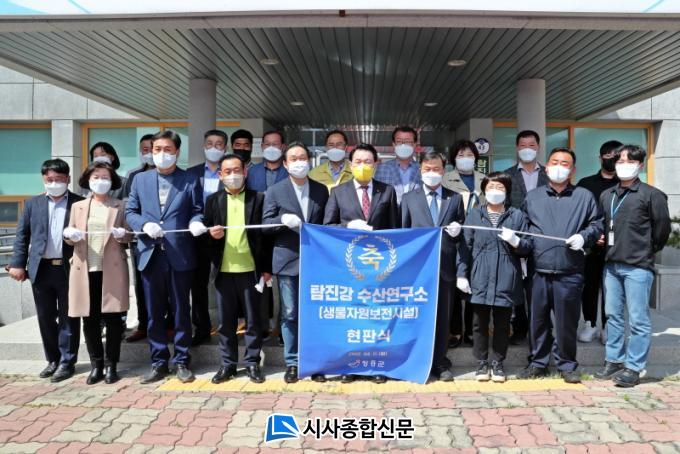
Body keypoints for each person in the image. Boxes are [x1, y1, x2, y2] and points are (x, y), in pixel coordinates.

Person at [125, 130, 207, 384]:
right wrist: (143, 225)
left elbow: (198, 210)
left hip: (180, 253)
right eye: (157, 149)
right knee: (154, 311)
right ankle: (158, 361)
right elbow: (130, 211)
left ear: (177, 152)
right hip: (150, 254)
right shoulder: (140, 180)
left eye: (167, 149)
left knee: (181, 310)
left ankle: (182, 360)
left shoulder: (190, 179)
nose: (162, 154)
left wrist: (196, 222)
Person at [519, 147, 603, 384]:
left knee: (567, 322)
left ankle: (567, 365)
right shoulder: (533, 197)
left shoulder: (584, 196)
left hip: (570, 271)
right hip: (538, 270)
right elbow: (524, 227)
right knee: (538, 321)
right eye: (554, 162)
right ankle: (537, 363)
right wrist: (519, 243)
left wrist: (584, 237)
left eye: (564, 164)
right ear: (546, 167)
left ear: (573, 170)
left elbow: (597, 224)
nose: (559, 167)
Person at [323, 143, 399, 384]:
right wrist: (348, 226)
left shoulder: (387, 191)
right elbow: (327, 226)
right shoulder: (338, 191)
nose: (363, 166)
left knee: (377, 315)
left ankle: (376, 364)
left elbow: (395, 229)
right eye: (358, 162)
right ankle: (350, 364)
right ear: (350, 164)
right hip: (350, 265)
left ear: (376, 164)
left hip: (379, 266)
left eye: (368, 162)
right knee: (352, 315)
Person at [596, 145, 671, 387]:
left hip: (638, 266)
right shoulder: (607, 195)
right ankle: (614, 360)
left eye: (629, 161)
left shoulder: (652, 195)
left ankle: (634, 367)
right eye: (620, 161)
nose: (623, 165)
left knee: (638, 319)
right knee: (613, 316)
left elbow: (662, 231)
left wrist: (646, 250)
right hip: (611, 265)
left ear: (640, 165)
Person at [8, 159, 83, 382]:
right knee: (45, 317)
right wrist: (17, 264)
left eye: (59, 179)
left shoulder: (79, 203)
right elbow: (22, 236)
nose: (54, 183)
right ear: (43, 179)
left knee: (69, 316)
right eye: (50, 179)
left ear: (68, 179)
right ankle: (53, 359)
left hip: (69, 268)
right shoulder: (33, 204)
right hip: (41, 269)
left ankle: (67, 362)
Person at [263, 141, 329, 384]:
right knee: (290, 313)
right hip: (287, 260)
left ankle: (315, 362)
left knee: (314, 312)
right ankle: (293, 362)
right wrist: (282, 220)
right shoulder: (275, 191)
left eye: (303, 158)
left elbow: (327, 223)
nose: (299, 162)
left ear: (309, 161)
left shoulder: (321, 190)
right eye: (294, 158)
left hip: (316, 261)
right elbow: (265, 224)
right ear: (285, 163)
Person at [204, 154, 273, 384]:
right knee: (225, 323)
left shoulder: (258, 198)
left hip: (251, 270)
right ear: (220, 175)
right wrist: (211, 236)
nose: (232, 175)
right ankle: (228, 364)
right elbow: (204, 237)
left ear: (245, 172)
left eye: (237, 170)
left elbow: (265, 237)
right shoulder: (213, 201)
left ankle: (252, 362)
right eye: (227, 171)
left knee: (253, 321)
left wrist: (266, 268)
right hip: (223, 271)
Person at [457, 172, 531, 383]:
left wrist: (516, 241)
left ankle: (498, 362)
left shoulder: (517, 215)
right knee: (479, 323)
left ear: (507, 191)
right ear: (484, 191)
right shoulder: (475, 214)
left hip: (506, 276)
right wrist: (462, 274)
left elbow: (528, 247)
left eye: (500, 187)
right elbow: (465, 247)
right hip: (479, 275)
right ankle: (481, 362)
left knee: (502, 323)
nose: (495, 192)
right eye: (491, 187)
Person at [63, 162, 131, 384]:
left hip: (112, 269)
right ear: (88, 180)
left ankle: (112, 365)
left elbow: (129, 235)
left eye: (105, 177)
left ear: (112, 181)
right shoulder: (78, 206)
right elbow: (69, 236)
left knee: (113, 320)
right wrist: (69, 235)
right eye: (96, 177)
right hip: (85, 269)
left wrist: (122, 234)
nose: (100, 181)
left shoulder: (120, 205)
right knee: (89, 319)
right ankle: (96, 365)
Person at [401, 151, 465, 382]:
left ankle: (439, 362)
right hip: (417, 270)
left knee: (442, 318)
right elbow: (403, 234)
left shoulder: (455, 198)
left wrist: (458, 232)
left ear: (444, 170)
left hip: (445, 268)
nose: (432, 173)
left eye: (436, 169)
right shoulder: (409, 198)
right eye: (427, 169)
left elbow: (462, 235)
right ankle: (415, 361)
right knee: (416, 316)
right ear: (420, 170)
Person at [503, 130, 549, 345]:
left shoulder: (549, 174)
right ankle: (519, 327)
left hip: (543, 237)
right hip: (516, 237)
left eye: (531, 145)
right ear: (517, 148)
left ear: (538, 147)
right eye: (523, 145)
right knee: (517, 285)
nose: (527, 149)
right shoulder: (507, 175)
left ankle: (541, 329)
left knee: (539, 286)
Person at [576, 140, 622, 344]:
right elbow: (578, 215)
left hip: (618, 247)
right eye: (608, 155)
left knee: (612, 287)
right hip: (591, 246)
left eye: (616, 156)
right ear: (600, 158)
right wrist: (592, 236)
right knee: (590, 285)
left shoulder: (625, 184)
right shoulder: (585, 184)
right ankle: (590, 323)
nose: (612, 159)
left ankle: (607, 325)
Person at [186, 129, 229, 345]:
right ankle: (202, 328)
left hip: (224, 235)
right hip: (197, 235)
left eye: (219, 144)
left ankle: (228, 328)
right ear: (204, 146)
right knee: (198, 285)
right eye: (210, 143)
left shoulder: (230, 172)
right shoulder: (191, 173)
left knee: (226, 283)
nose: (214, 148)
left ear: (225, 148)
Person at [442, 139, 486, 348]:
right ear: (453, 159)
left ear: (476, 157)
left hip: (478, 239)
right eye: (461, 155)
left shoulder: (485, 179)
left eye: (469, 155)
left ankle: (471, 331)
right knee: (452, 286)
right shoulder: (444, 179)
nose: (465, 159)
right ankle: (455, 331)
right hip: (453, 239)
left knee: (474, 287)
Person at [124, 134, 156, 343]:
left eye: (153, 148)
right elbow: (129, 207)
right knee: (142, 284)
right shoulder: (134, 175)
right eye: (145, 149)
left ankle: (170, 324)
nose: (149, 153)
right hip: (140, 240)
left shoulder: (173, 174)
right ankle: (144, 324)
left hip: (165, 239)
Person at [374, 126, 421, 204]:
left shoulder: (422, 169)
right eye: (399, 141)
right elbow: (376, 196)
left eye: (407, 141)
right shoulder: (382, 169)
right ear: (394, 144)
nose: (403, 145)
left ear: (414, 144)